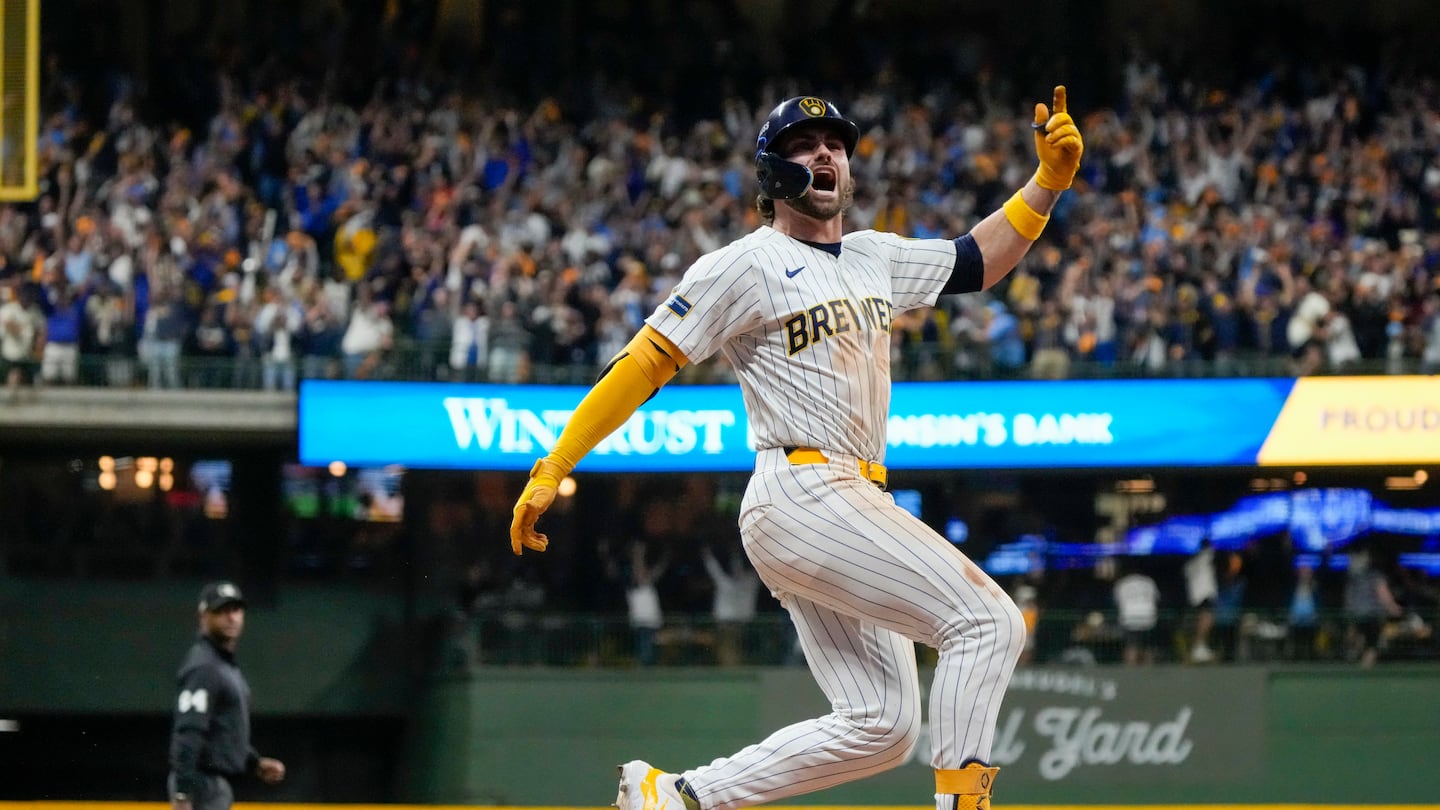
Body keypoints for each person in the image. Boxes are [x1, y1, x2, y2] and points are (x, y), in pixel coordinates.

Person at [510, 88, 1082, 810]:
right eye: (805, 144)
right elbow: (643, 364)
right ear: (772, 172)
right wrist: (555, 463)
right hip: (801, 488)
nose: (825, 153)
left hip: (849, 499)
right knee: (987, 622)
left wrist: (1048, 185)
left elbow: (977, 261)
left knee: (885, 726)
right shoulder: (745, 264)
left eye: (836, 143)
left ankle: (677, 797)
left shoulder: (874, 255)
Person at [168, 582, 285, 810]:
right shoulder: (205, 666)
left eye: (236, 610)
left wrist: (254, 762)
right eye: (221, 611)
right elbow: (189, 731)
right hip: (201, 784)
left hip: (212, 786)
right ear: (203, 616)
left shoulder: (223, 666)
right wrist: (183, 794)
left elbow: (221, 729)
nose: (231, 617)